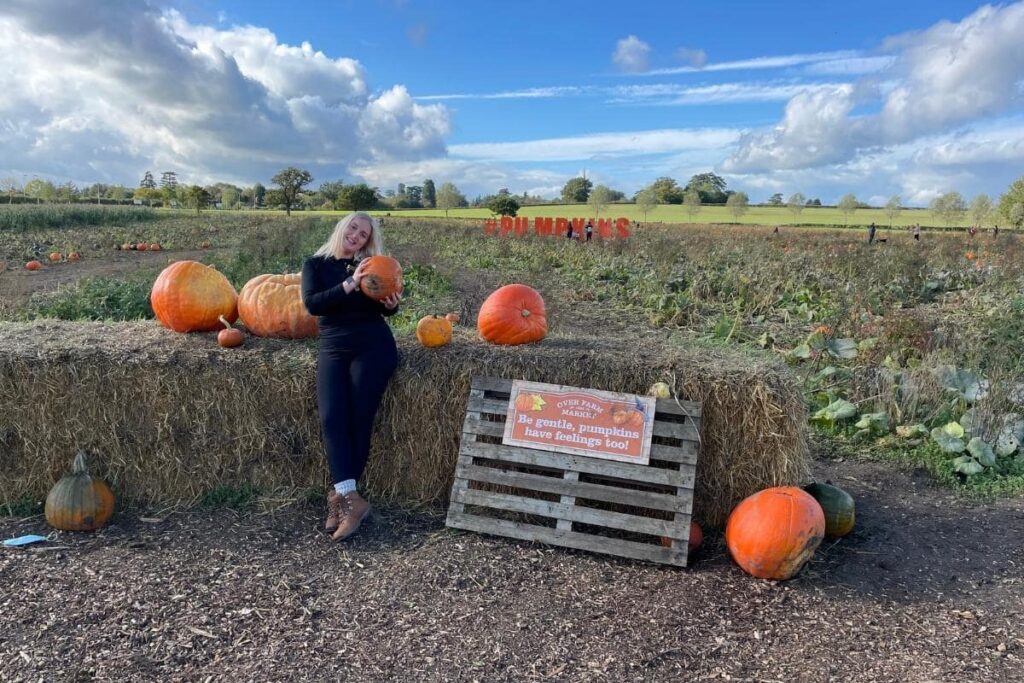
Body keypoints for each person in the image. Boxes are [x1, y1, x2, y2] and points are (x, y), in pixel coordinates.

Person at [301, 212, 401, 541]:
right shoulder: (316, 265)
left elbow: (380, 309)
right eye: (354, 228)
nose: (357, 236)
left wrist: (391, 305)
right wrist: (350, 283)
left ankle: (343, 498)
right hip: (334, 348)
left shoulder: (372, 266)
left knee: (359, 417)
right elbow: (314, 305)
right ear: (342, 227)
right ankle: (347, 498)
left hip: (373, 346)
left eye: (364, 234)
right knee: (331, 417)